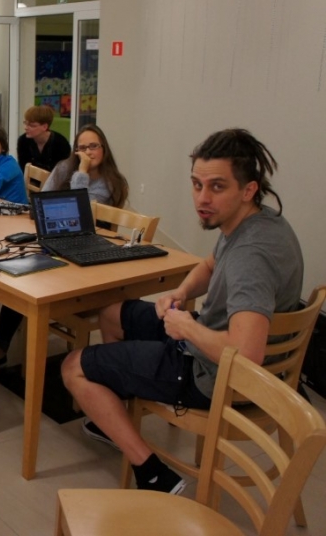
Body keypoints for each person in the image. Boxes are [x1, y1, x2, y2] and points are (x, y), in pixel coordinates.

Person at [61, 128, 302, 496]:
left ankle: (153, 473)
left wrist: (187, 328)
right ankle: (112, 414)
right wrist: (181, 292)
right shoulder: (256, 221)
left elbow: (246, 355)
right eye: (197, 185)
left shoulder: (251, 256)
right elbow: (209, 264)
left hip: (215, 376)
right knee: (111, 313)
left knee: (73, 367)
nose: (202, 199)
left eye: (217, 187)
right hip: (216, 345)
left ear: (248, 189)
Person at [0, 124, 129, 368]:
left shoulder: (110, 182)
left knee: (36, 278)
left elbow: (79, 210)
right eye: (82, 148)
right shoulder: (64, 168)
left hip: (89, 253)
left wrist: (82, 171)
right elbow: (41, 201)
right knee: (23, 275)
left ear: (104, 149)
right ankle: (0, 346)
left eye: (93, 146)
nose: (87, 152)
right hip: (56, 239)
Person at [16, 104, 71, 174]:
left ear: (45, 127)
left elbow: (62, 173)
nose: (26, 128)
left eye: (32, 125)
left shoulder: (61, 143)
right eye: (26, 123)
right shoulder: (23, 141)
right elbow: (23, 169)